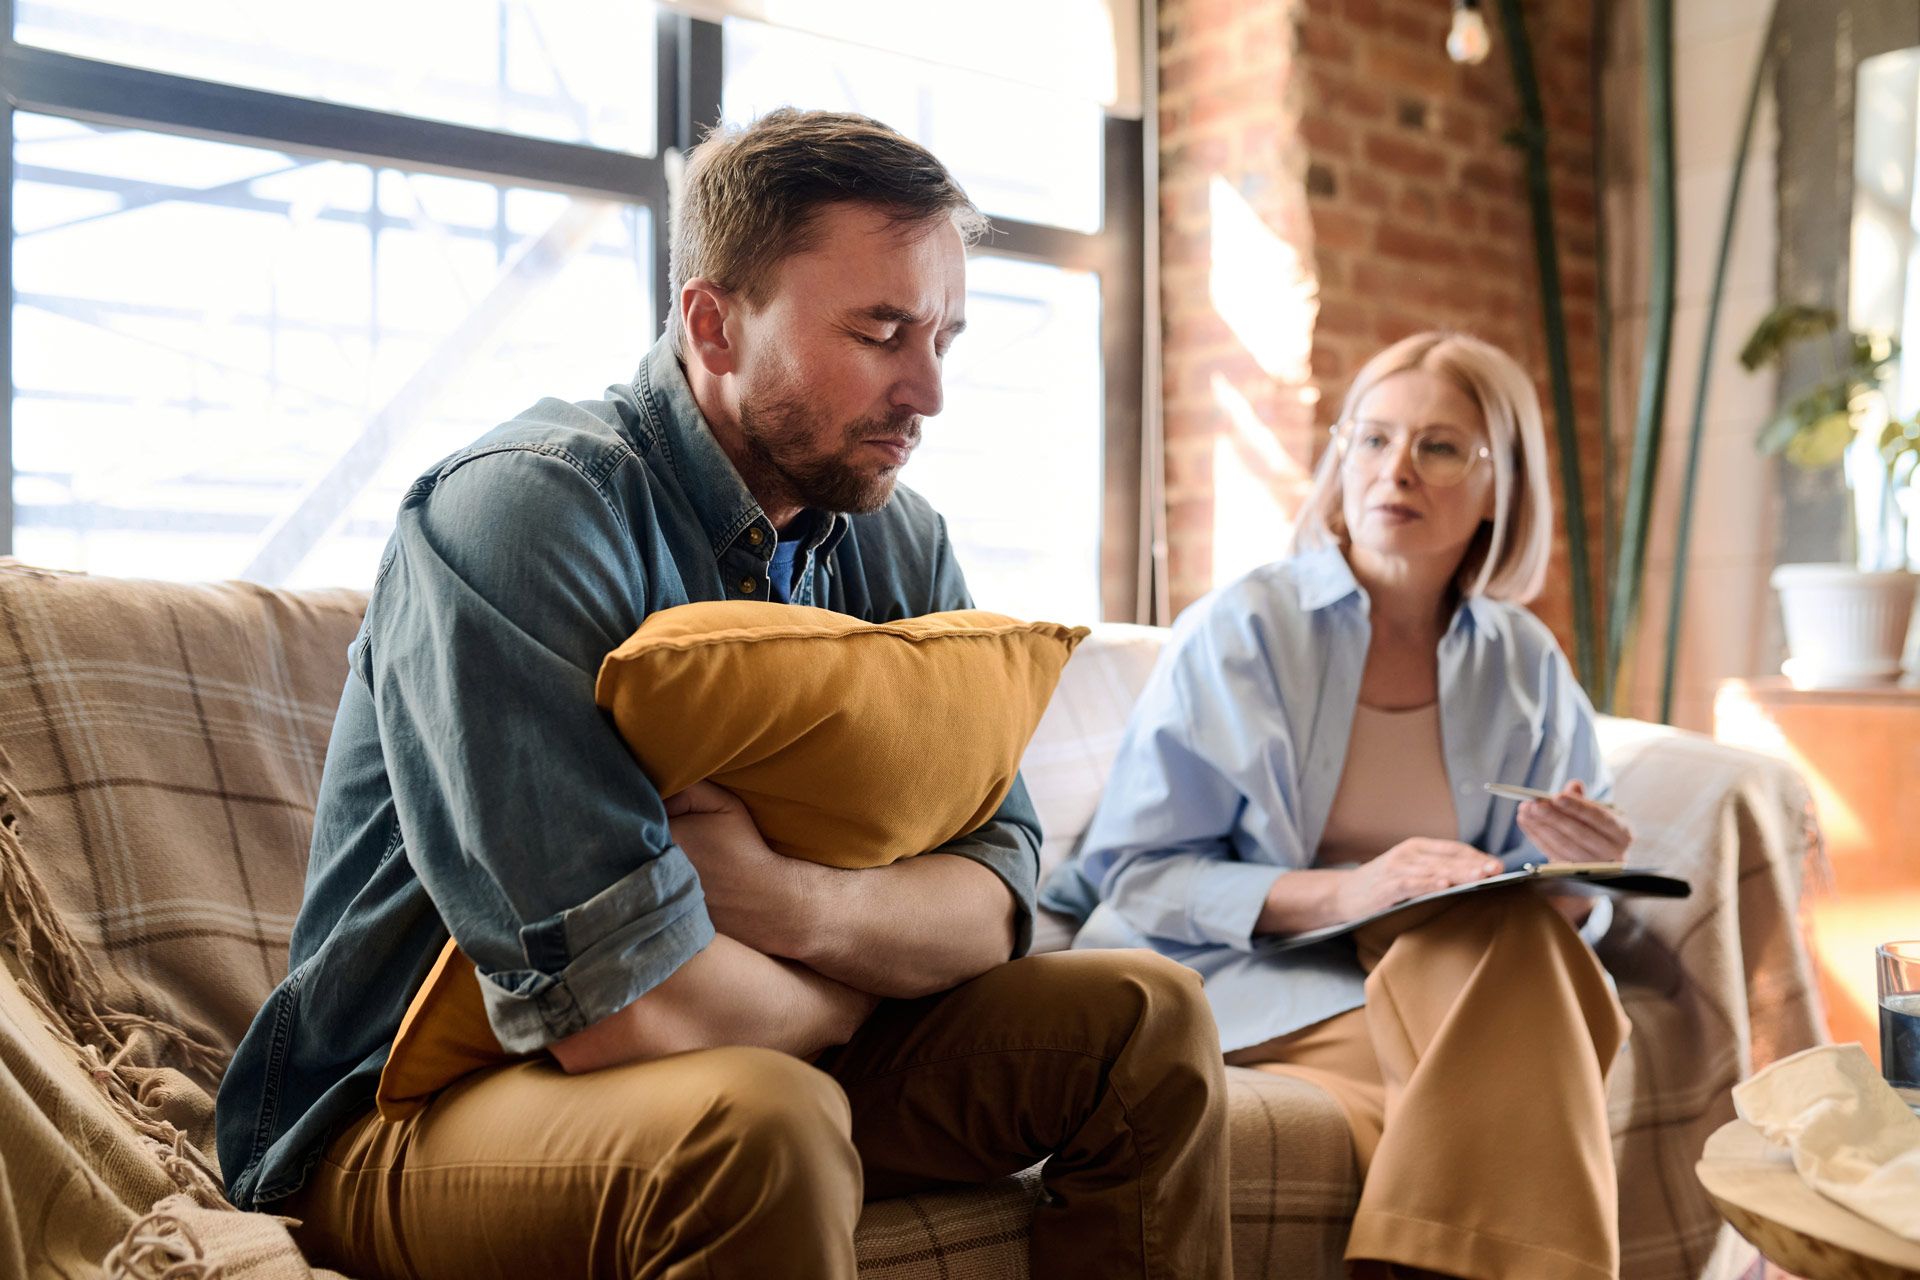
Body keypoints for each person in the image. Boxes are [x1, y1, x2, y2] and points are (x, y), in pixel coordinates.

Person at [216, 109, 1230, 1280]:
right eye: (882, 329)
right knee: (757, 1125)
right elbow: (617, 1009)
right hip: (419, 1104)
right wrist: (854, 997)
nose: (929, 390)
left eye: (943, 333)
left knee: (1148, 1024)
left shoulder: (895, 542)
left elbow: (999, 895)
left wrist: (789, 905)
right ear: (712, 322)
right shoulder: (524, 514)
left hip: (752, 1024)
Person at [1043, 331, 1635, 1280]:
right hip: (1239, 965)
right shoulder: (1244, 630)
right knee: (1532, 1045)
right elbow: (1139, 873)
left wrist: (1580, 869)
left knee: (1531, 951)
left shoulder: (1523, 660)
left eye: (1439, 447)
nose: (1395, 468)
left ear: (1499, 486)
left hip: (1440, 967)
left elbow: (1553, 910)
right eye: (1371, 438)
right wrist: (1353, 894)